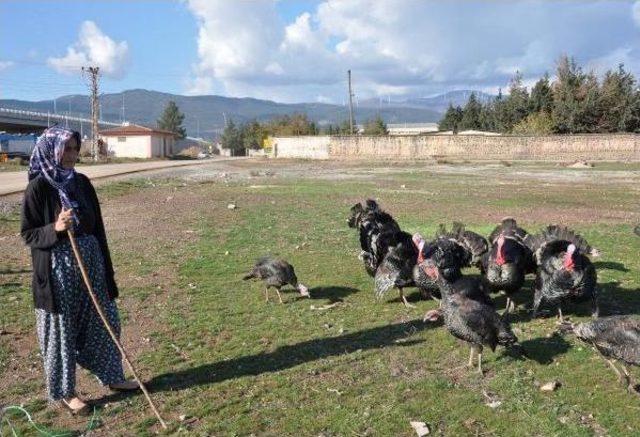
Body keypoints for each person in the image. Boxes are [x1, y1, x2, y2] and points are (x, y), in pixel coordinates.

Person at [21, 127, 138, 415]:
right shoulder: (38, 187)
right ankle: (66, 393)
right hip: (57, 275)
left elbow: (98, 229)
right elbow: (28, 234)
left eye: (75, 148)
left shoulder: (82, 183)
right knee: (60, 333)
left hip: (91, 267)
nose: (73, 155)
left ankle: (112, 376)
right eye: (67, 149)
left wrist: (108, 274)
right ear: (52, 150)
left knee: (105, 319)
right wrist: (56, 229)